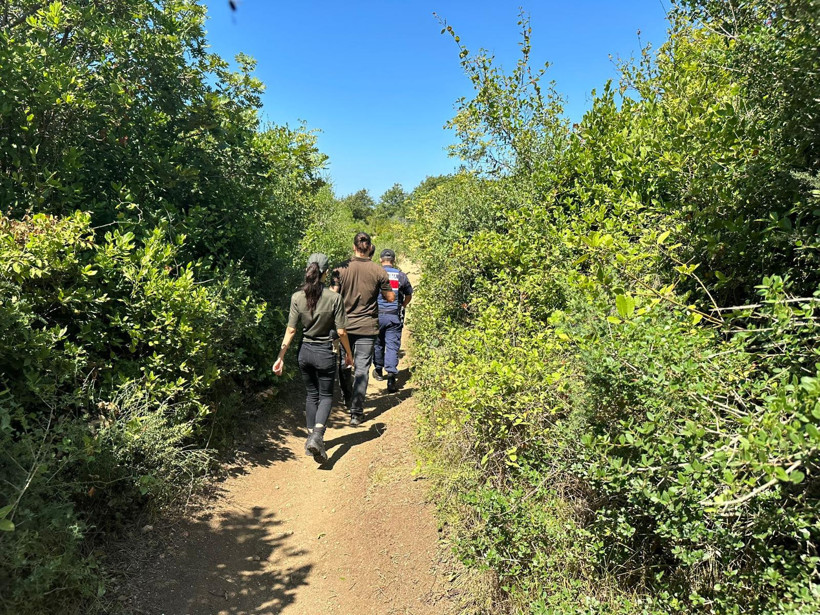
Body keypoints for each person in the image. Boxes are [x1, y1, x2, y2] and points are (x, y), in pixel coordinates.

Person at [273, 253, 353, 462]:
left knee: (311, 395)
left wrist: (280, 357)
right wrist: (349, 355)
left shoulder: (297, 297)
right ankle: (317, 436)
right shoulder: (334, 298)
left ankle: (312, 441)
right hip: (325, 353)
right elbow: (342, 332)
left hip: (304, 353)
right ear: (326, 273)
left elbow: (290, 331)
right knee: (326, 395)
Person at [330, 232, 395, 426]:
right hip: (367, 325)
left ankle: (348, 399)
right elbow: (390, 297)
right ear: (369, 248)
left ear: (354, 247)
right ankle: (357, 413)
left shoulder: (339, 270)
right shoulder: (378, 271)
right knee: (362, 368)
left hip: (344, 326)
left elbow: (333, 297)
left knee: (344, 363)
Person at [372, 249, 413, 393]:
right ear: (394, 260)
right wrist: (403, 305)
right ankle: (391, 377)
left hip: (376, 316)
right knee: (392, 345)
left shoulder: (374, 273)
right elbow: (408, 294)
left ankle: (378, 370)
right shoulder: (401, 275)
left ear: (380, 259)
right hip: (394, 316)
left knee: (377, 343)